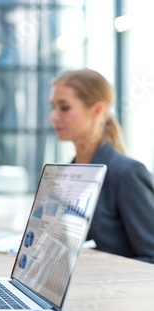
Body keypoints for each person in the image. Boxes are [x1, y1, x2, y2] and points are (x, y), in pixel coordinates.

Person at [50, 68, 154, 263]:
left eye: (64, 108)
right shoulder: (65, 173)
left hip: (110, 289)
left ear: (97, 110)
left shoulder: (127, 173)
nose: (53, 116)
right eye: (53, 107)